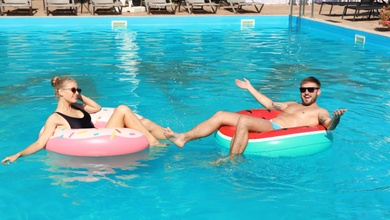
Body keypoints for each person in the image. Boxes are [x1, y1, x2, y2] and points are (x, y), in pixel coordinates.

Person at [164, 76, 347, 162]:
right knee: (220, 114)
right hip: (269, 123)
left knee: (244, 120)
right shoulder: (291, 104)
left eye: (310, 90)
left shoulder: (320, 111)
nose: (306, 93)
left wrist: (336, 118)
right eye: (303, 89)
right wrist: (249, 87)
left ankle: (231, 160)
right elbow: (269, 104)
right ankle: (183, 138)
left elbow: (329, 125)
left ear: (318, 91)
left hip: (274, 129)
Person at [2, 76, 167, 164]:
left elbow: (96, 108)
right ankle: (154, 143)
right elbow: (40, 143)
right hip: (98, 140)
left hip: (104, 132)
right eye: (73, 90)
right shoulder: (55, 118)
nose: (76, 93)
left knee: (143, 123)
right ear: (60, 92)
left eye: (78, 89)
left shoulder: (78, 107)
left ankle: (174, 136)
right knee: (123, 109)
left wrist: (78, 95)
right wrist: (18, 154)